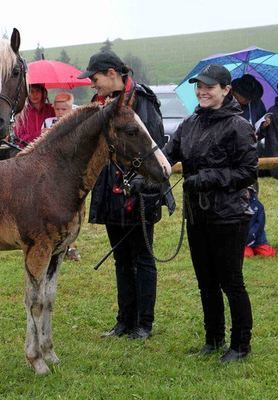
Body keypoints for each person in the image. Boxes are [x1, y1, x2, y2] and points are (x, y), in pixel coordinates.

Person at [164, 64, 257, 362]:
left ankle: (240, 345)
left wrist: (210, 178)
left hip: (229, 215)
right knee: (205, 281)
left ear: (225, 90)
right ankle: (213, 338)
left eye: (209, 87)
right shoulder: (189, 123)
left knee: (231, 281)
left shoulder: (239, 126)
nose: (202, 91)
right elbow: (168, 154)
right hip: (197, 213)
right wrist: (148, 168)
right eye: (199, 86)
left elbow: (247, 172)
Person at [81, 50, 174, 340]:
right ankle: (124, 321)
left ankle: (144, 324)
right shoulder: (102, 105)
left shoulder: (143, 102)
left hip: (141, 191)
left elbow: (152, 146)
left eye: (94, 78)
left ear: (111, 73)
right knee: (121, 259)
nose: (91, 84)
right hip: (111, 190)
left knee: (143, 257)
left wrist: (142, 187)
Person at [39, 91, 81, 262]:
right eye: (57, 109)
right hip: (51, 173)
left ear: (71, 109)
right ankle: (53, 241)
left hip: (69, 173)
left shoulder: (77, 123)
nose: (60, 112)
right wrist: (47, 134)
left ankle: (71, 245)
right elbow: (41, 144)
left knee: (69, 209)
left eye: (64, 109)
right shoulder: (48, 122)